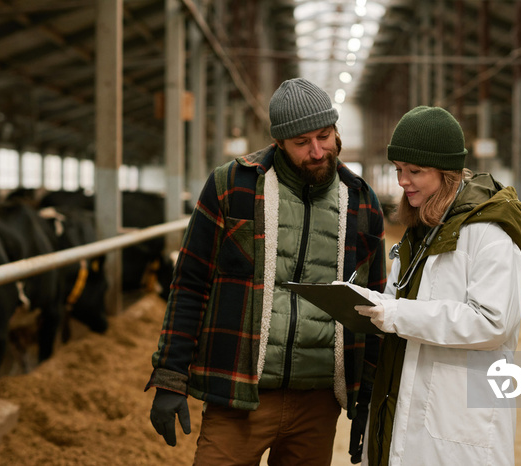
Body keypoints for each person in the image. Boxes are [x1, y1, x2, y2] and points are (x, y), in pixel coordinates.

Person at [146, 77, 386, 465]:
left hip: (318, 401)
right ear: (278, 142)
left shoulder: (361, 202)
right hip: (238, 395)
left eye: (325, 136)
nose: (317, 151)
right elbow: (190, 283)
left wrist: (366, 396)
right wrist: (170, 375)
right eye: (301, 143)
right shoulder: (233, 186)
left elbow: (372, 307)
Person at [345, 106, 521, 465]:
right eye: (399, 170)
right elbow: (405, 302)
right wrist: (368, 302)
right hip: (404, 398)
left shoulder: (489, 233)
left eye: (415, 171)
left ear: (447, 173)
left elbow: (492, 322)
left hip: (457, 420)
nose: (402, 181)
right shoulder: (423, 229)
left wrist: (394, 313)